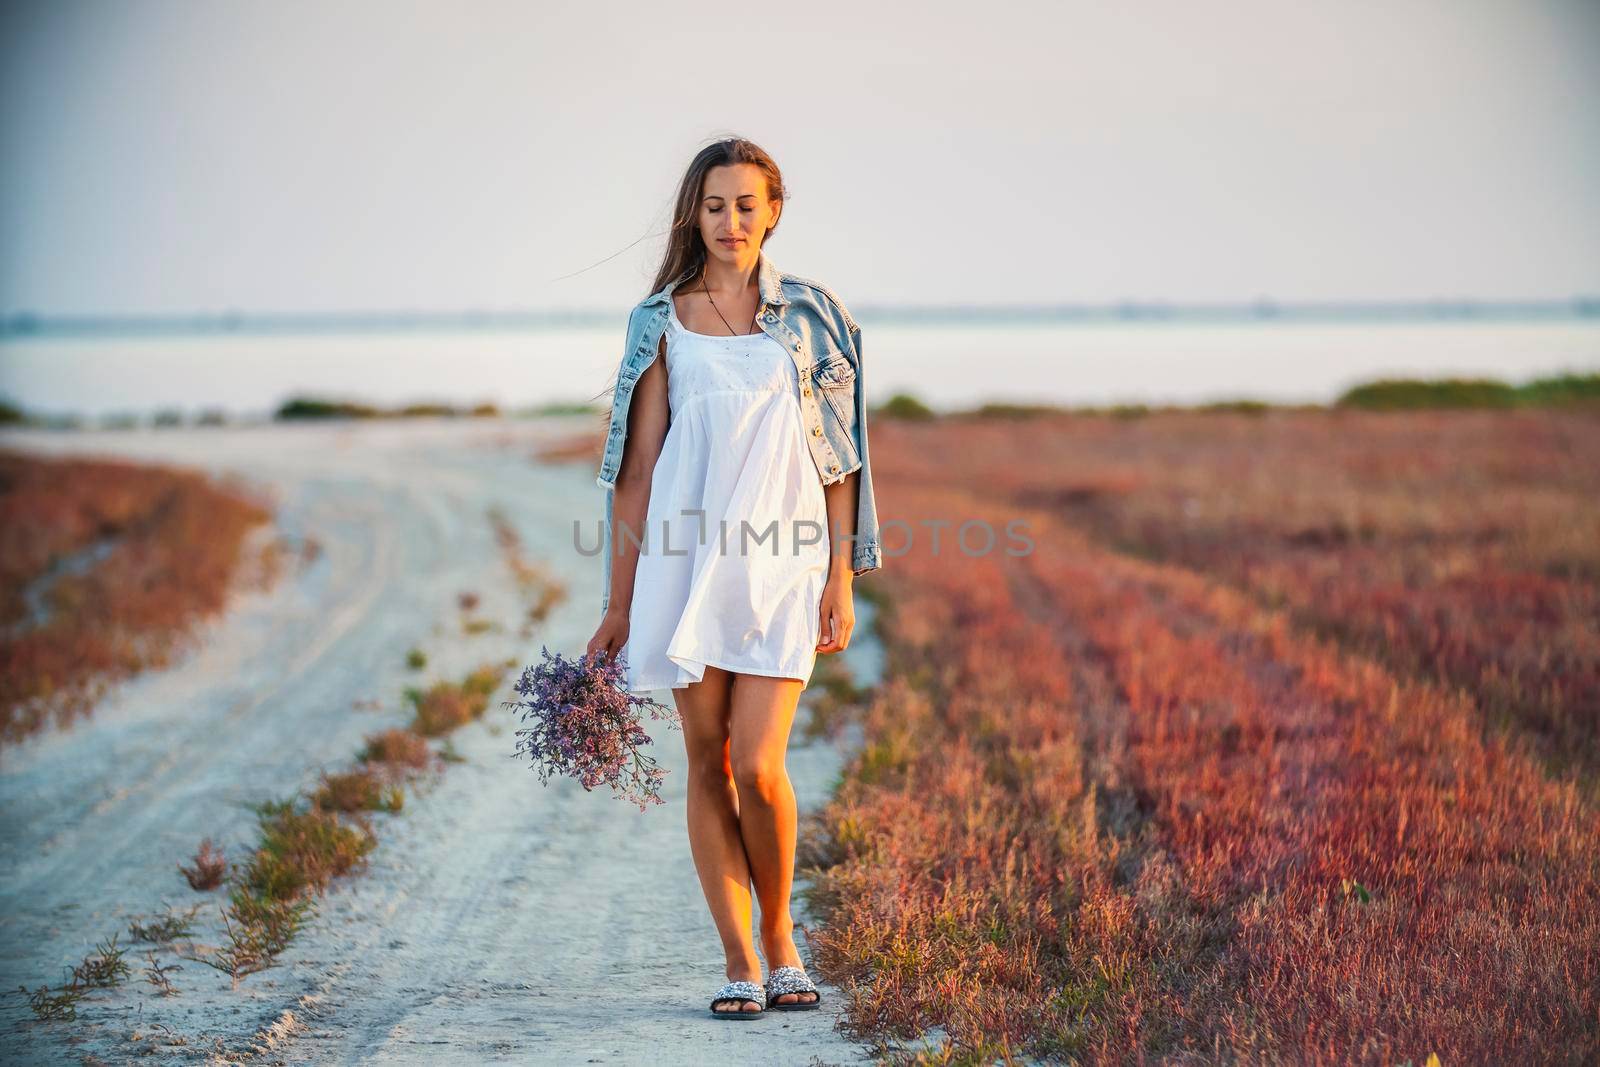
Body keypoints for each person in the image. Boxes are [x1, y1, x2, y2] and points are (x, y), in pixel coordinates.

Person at [585, 136, 882, 1019]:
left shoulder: (814, 316)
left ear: (773, 211)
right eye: (714, 205)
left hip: (784, 561)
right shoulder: (660, 321)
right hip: (684, 559)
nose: (729, 221)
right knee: (706, 762)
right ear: (695, 213)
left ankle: (785, 934)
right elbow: (637, 469)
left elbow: (841, 460)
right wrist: (618, 602)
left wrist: (843, 577)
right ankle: (739, 958)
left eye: (746, 204)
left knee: (759, 763)